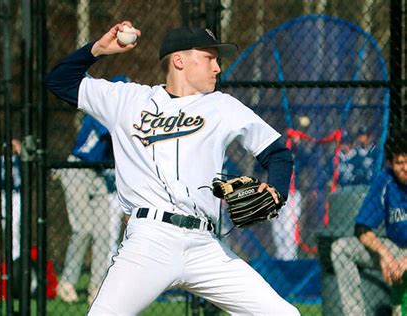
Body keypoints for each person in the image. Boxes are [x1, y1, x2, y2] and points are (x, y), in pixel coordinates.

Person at [45, 21, 299, 315]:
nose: (217, 67)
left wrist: (277, 190)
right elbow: (59, 80)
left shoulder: (223, 106)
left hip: (205, 245)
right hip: (150, 240)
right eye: (209, 58)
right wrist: (99, 49)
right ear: (179, 60)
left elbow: (278, 153)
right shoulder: (127, 100)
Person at [330, 135, 407, 316]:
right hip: (396, 250)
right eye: (400, 163)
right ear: (390, 163)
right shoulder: (386, 180)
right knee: (340, 249)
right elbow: (362, 229)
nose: (405, 168)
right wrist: (385, 254)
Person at [54, 109, 124, 304]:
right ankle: (67, 282)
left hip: (99, 174)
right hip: (78, 168)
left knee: (104, 233)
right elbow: (108, 132)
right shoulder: (100, 115)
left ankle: (97, 287)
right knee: (82, 228)